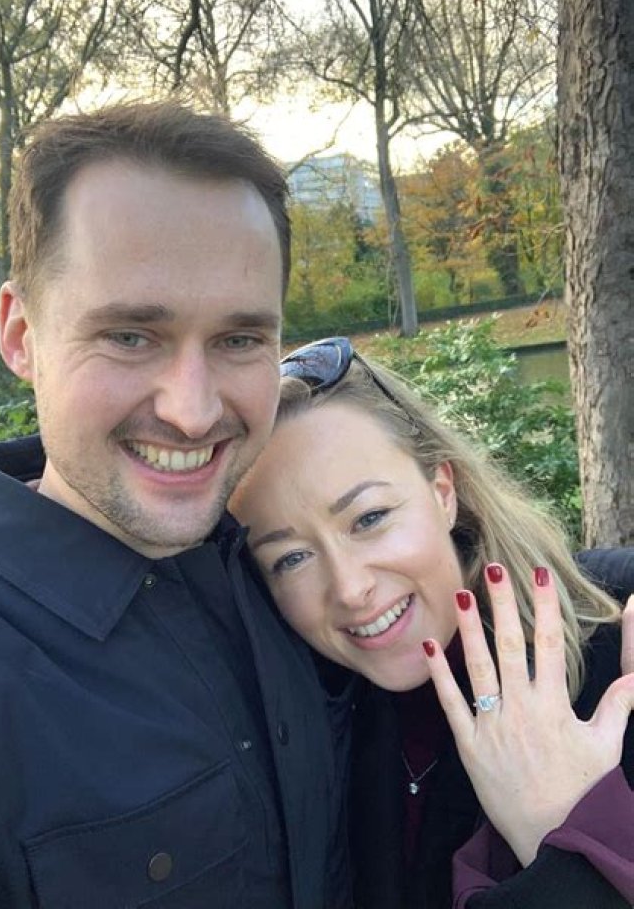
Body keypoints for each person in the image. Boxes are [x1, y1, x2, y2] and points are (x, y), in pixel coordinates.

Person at [0, 107, 352, 908]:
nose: (192, 411)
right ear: (20, 334)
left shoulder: (279, 554)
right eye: (129, 337)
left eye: (239, 340)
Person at [229, 336, 634, 909]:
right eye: (291, 558)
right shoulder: (316, 728)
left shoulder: (613, 648)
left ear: (442, 492)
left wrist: (567, 829)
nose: (350, 588)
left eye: (369, 518)